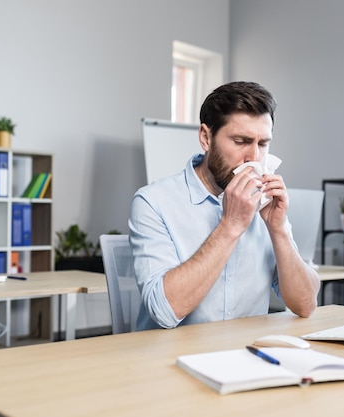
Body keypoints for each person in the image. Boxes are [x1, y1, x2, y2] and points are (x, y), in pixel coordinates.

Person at [129, 81, 320, 330]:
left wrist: (279, 229)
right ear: (206, 138)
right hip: (171, 359)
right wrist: (231, 225)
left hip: (246, 357)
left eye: (263, 144)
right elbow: (164, 312)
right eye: (241, 141)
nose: (254, 158)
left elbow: (305, 304)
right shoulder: (153, 202)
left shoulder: (264, 205)